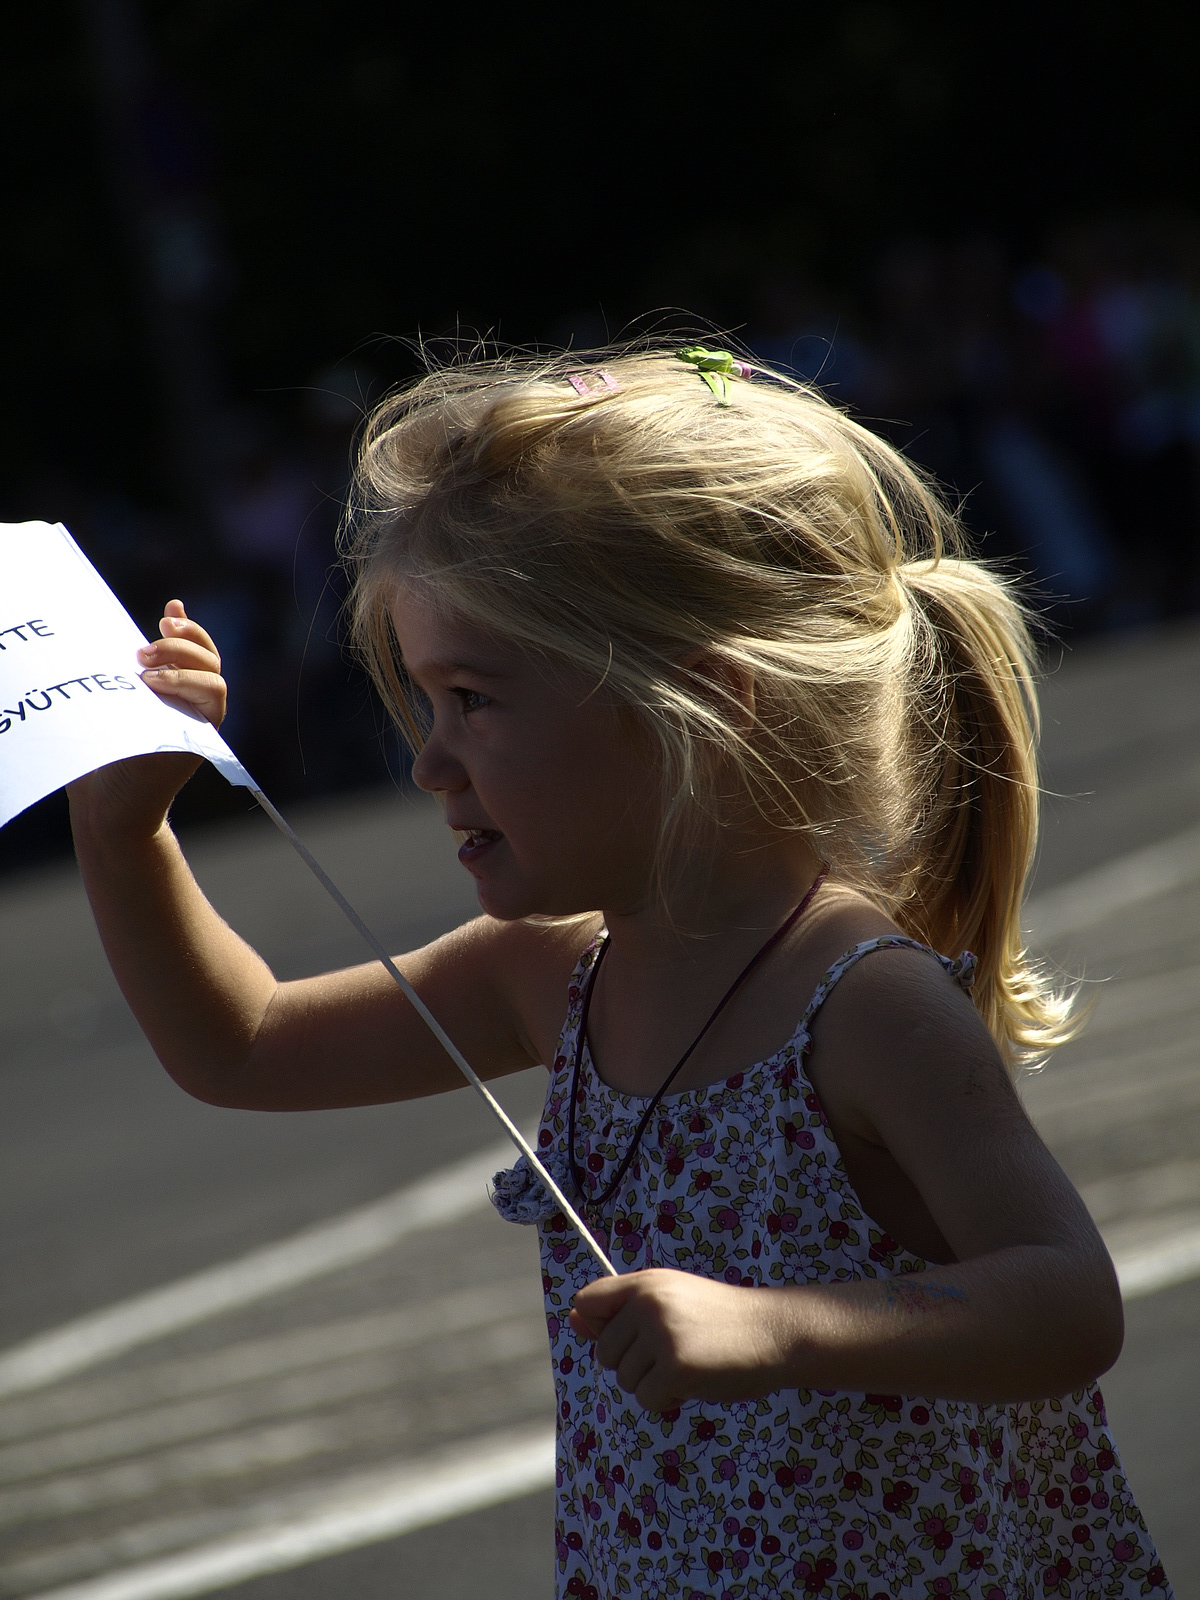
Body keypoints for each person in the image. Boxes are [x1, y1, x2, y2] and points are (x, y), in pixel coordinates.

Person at [67, 346, 1171, 1599]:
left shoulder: (864, 1004)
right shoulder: (550, 974)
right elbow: (244, 1042)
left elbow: (1069, 1300)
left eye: (473, 699)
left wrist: (776, 1328)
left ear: (702, 709)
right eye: (426, 704)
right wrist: (126, 831)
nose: (431, 764)